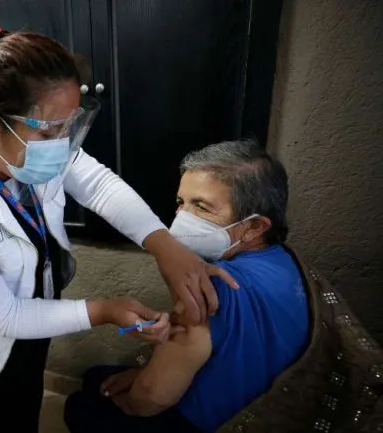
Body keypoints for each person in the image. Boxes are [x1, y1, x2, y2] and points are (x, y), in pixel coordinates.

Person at [0, 23, 236, 433]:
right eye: (48, 131)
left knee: (28, 391)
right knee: (6, 412)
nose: (61, 145)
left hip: (33, 312)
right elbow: (5, 318)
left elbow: (97, 185)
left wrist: (164, 245)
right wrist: (103, 310)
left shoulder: (20, 143)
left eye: (69, 126)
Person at [64, 139, 311, 433]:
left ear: (255, 226)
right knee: (98, 376)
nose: (181, 219)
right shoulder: (287, 260)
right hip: (263, 407)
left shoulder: (208, 288)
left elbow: (150, 399)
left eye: (202, 207)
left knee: (81, 405)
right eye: (181, 203)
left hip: (208, 423)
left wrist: (128, 403)